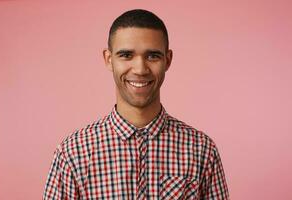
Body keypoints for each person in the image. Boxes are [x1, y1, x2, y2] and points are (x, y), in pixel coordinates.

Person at [43, 9, 229, 199]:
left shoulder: (202, 150)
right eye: (126, 55)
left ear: (168, 60)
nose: (140, 69)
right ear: (109, 59)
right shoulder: (72, 154)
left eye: (152, 56)